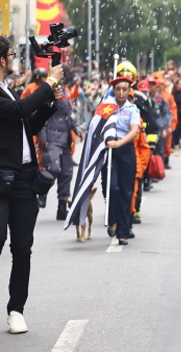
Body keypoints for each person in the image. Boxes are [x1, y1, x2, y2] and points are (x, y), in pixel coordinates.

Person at [0, 38, 62, 334]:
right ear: (1, 60)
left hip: (24, 180)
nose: (13, 59)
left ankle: (16, 310)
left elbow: (26, 126)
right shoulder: (6, 96)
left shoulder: (8, 91)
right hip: (0, 182)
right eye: (10, 55)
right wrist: (49, 83)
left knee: (22, 248)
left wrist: (50, 104)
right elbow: (21, 110)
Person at [37, 64, 80, 220]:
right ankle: (41, 191)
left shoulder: (65, 91)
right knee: (53, 168)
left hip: (65, 139)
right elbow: (43, 114)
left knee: (66, 173)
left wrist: (76, 129)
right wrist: (42, 136)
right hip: (52, 136)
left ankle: (62, 206)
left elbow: (68, 115)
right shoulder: (51, 90)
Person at [104, 77, 140, 246]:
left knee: (126, 190)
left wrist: (119, 142)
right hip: (109, 150)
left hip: (125, 149)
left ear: (129, 91)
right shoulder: (106, 107)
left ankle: (123, 231)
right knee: (112, 187)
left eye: (124, 89)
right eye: (118, 89)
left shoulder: (132, 109)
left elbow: (134, 131)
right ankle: (112, 219)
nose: (121, 92)